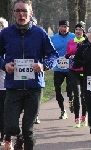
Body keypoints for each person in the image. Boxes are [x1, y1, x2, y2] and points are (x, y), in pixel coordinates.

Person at [0, 0, 59, 150]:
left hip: (34, 88)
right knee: (10, 127)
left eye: (24, 11)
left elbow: (53, 55)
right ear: (13, 14)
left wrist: (43, 65)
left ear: (30, 13)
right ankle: (17, 135)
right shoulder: (5, 34)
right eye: (18, 11)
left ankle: (25, 139)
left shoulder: (39, 33)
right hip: (13, 87)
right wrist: (4, 65)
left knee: (28, 129)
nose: (21, 14)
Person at [51, 20, 75, 119]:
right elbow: (50, 51)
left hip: (70, 68)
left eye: (65, 27)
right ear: (59, 27)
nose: (63, 29)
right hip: (58, 68)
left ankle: (71, 100)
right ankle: (62, 110)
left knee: (70, 89)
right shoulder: (53, 38)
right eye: (61, 26)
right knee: (57, 89)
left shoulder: (73, 37)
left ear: (68, 28)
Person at [65, 22, 87, 128]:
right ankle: (77, 118)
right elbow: (68, 54)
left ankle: (84, 117)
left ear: (83, 31)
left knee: (84, 95)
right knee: (77, 94)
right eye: (76, 29)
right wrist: (68, 56)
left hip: (84, 71)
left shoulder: (86, 42)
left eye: (80, 29)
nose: (78, 31)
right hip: (73, 71)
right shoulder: (70, 42)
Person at [0, 17, 8, 146]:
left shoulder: (9, 43)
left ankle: (4, 135)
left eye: (1, 25)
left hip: (5, 85)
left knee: (4, 112)